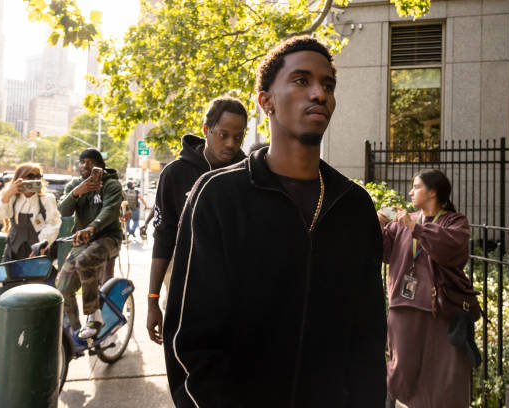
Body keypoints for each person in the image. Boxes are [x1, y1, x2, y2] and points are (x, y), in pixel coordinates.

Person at [163, 36, 386, 407]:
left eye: (327, 85)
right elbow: (190, 342)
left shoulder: (355, 205)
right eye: (302, 80)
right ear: (265, 100)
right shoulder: (218, 196)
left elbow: (368, 340)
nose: (319, 93)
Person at [146, 96, 247, 344]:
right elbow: (163, 238)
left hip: (236, 295)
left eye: (238, 136)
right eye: (223, 134)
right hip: (185, 289)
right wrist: (152, 301)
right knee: (184, 361)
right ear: (206, 130)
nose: (230, 144)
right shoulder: (174, 174)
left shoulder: (249, 174)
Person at [377, 169, 472, 407]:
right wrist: (377, 225)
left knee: (443, 374)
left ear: (432, 192)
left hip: (441, 308)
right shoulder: (403, 222)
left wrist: (416, 228)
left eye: (416, 186)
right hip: (404, 305)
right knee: (400, 370)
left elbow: (450, 249)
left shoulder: (454, 221)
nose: (410, 191)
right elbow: (380, 252)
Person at [57, 148, 123, 339]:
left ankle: (94, 317)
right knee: (63, 287)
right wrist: (77, 192)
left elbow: (110, 211)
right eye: (82, 162)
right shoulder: (75, 185)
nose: (85, 165)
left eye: (90, 162)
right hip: (82, 241)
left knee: (86, 261)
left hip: (108, 238)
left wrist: (92, 227)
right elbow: (64, 210)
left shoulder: (111, 185)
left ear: (100, 166)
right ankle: (77, 334)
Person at [0, 163, 61, 261]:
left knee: (36, 276)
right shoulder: (13, 198)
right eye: (30, 176)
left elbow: (53, 224)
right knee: (10, 275)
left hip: (38, 251)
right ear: (20, 178)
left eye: (38, 176)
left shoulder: (47, 199)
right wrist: (7, 193)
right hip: (13, 250)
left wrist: (42, 245)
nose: (35, 179)